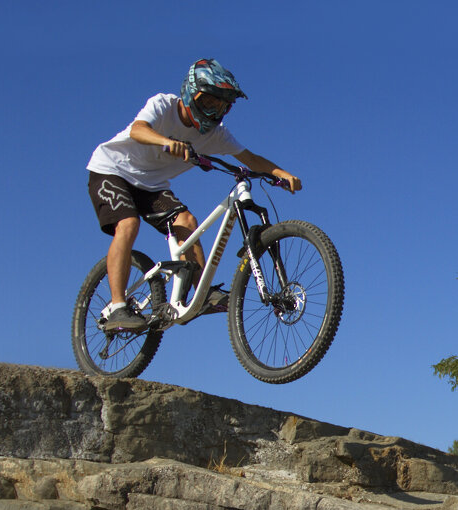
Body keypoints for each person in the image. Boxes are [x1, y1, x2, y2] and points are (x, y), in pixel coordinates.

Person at [87, 58, 302, 331]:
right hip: (112, 170)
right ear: (191, 94)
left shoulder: (215, 135)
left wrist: (281, 173)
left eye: (223, 107)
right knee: (128, 224)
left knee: (187, 222)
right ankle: (118, 306)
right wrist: (167, 142)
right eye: (210, 103)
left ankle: (203, 294)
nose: (215, 112)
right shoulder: (164, 105)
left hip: (151, 186)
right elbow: (138, 130)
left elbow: (249, 158)